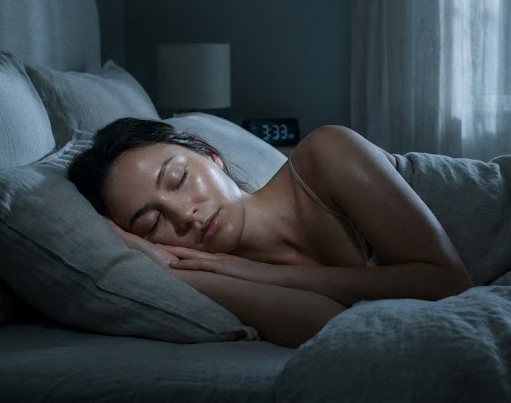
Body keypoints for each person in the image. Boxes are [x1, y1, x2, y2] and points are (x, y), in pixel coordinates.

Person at [68, 117, 472, 348]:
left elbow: (448, 281)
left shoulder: (325, 153)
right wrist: (176, 273)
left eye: (178, 179)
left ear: (211, 156)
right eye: (152, 223)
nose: (184, 215)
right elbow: (334, 328)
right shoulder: (232, 276)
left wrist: (266, 274)